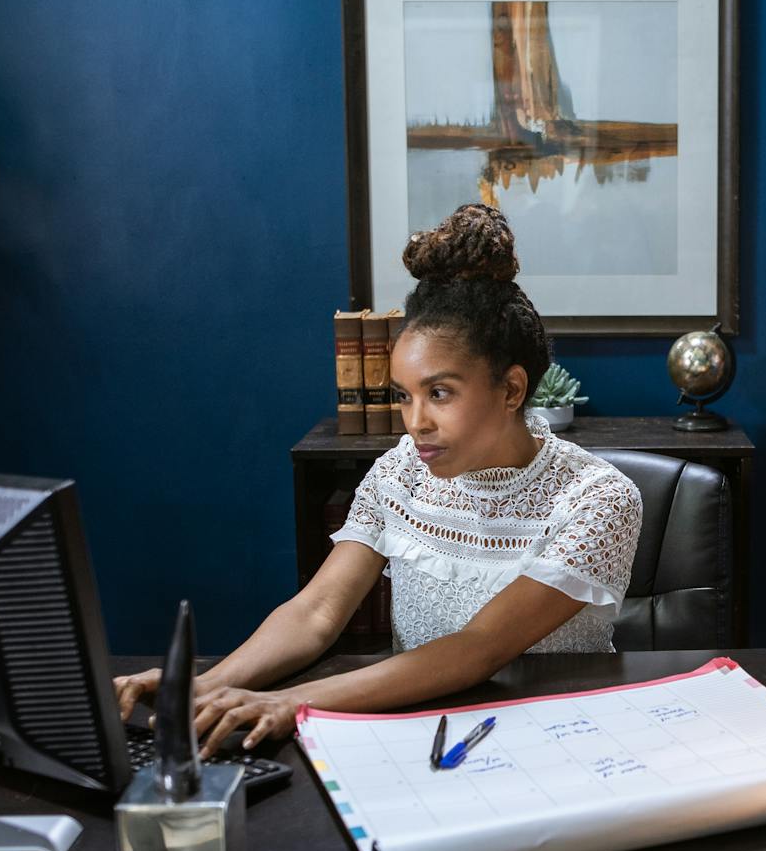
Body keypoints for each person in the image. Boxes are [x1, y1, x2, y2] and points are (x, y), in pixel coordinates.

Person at [114, 204, 643, 753]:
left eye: (439, 393)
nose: (415, 423)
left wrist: (290, 703)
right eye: (404, 396)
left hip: (559, 743)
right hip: (415, 731)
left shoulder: (598, 499)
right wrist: (199, 687)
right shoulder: (399, 470)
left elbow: (480, 647)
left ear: (511, 390)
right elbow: (317, 612)